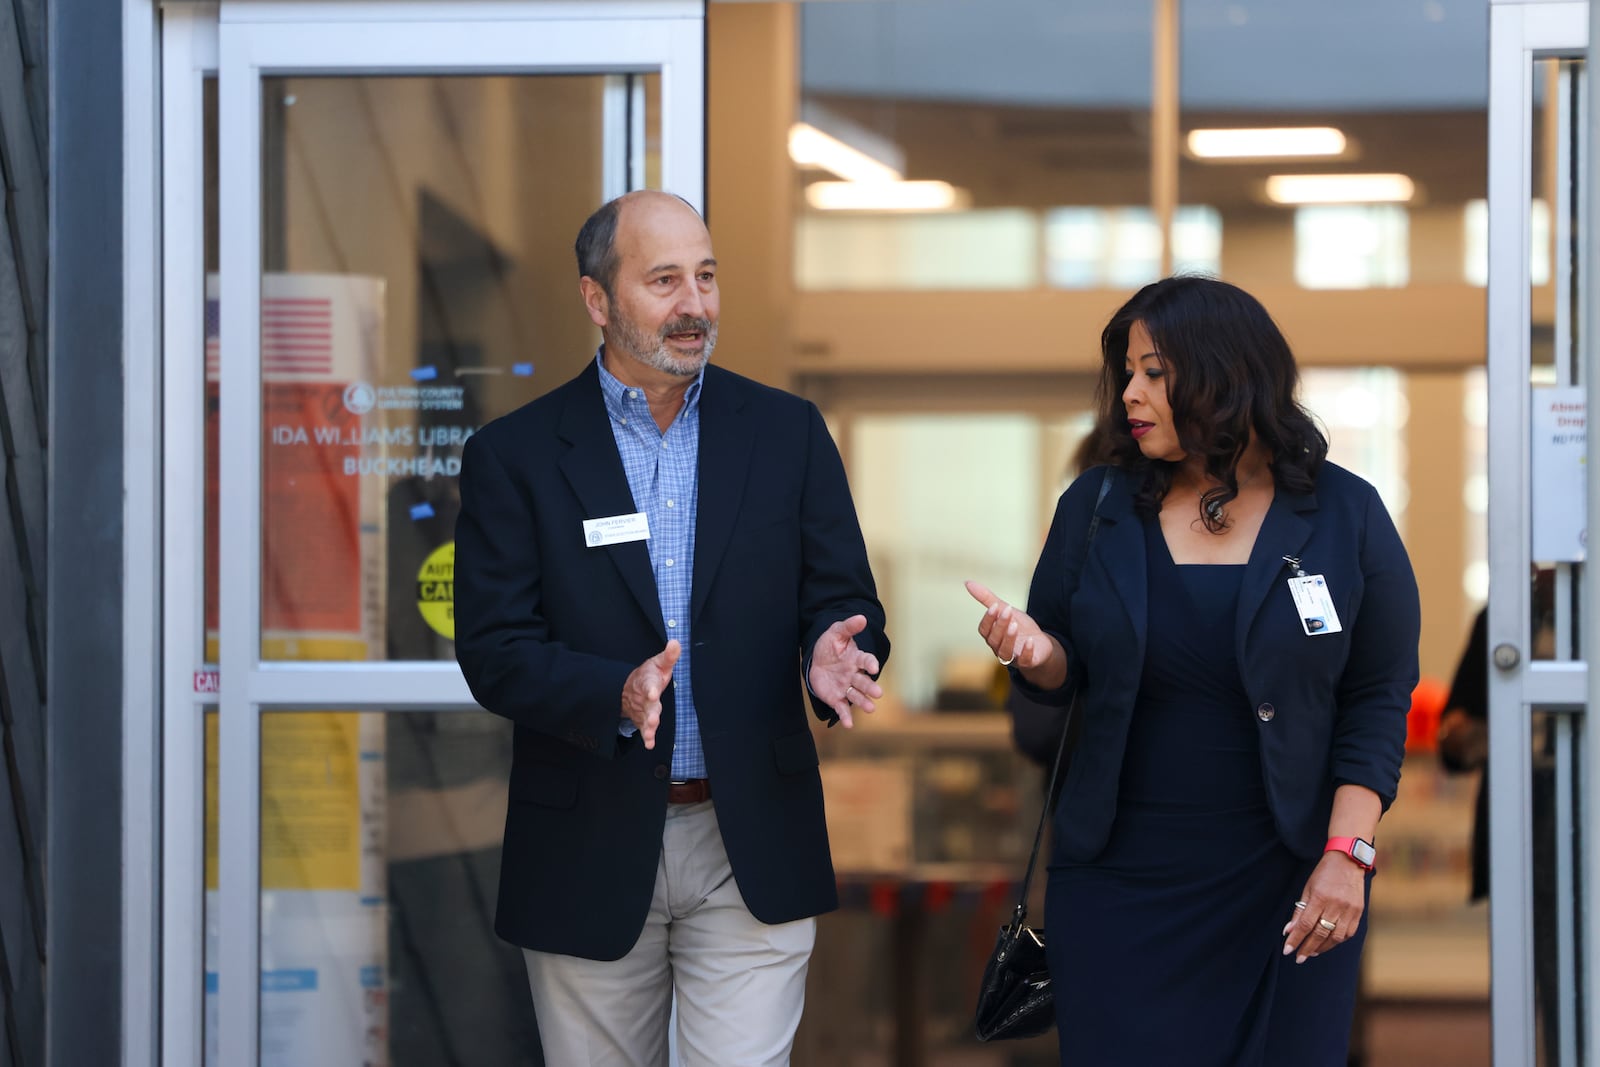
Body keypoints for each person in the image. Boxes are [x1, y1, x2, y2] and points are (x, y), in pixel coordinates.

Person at [453, 190, 889, 1066]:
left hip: (748, 841)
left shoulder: (787, 434)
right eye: (664, 280)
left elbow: (843, 601)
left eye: (706, 276)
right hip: (587, 836)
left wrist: (831, 653)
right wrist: (612, 691)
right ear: (596, 299)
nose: (695, 304)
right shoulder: (518, 456)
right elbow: (495, 650)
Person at [965, 275, 1419, 1066]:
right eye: (1129, 373)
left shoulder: (1346, 515)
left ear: (1224, 374)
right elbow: (1059, 665)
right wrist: (1037, 656)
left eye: (1155, 373)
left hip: (1291, 881)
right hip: (1119, 883)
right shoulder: (1097, 507)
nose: (1131, 395)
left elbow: (1377, 697)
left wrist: (1349, 855)